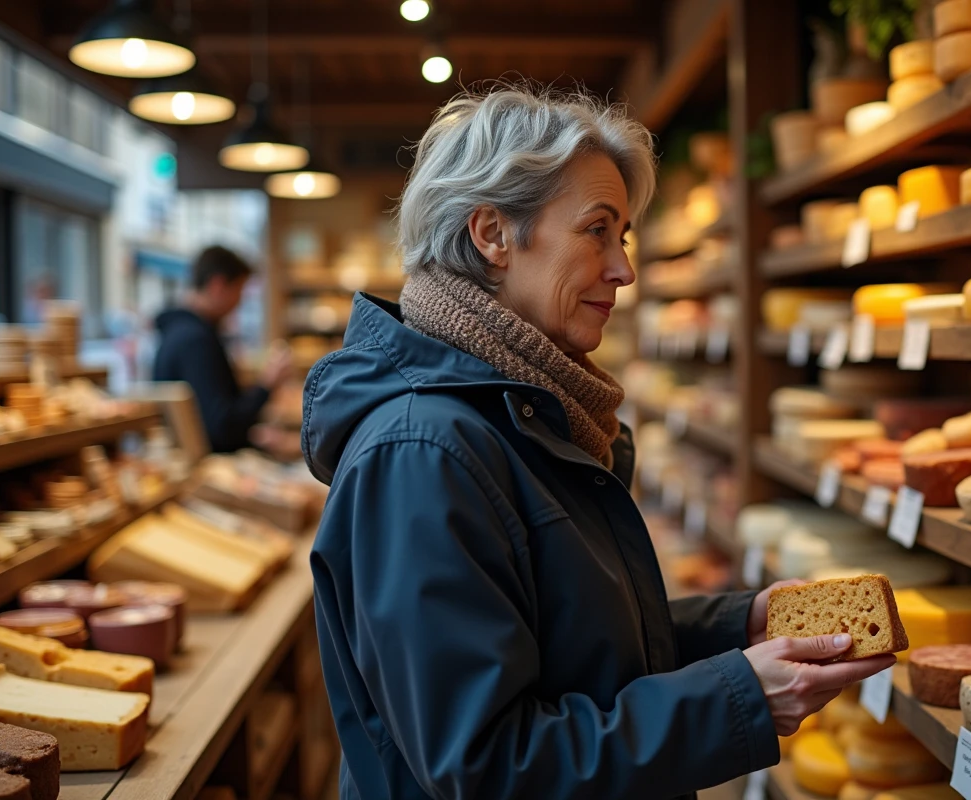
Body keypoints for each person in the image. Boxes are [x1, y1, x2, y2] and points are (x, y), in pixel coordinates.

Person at [303, 86, 895, 800]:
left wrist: (737, 626)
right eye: (596, 231)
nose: (624, 270)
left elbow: (565, 649)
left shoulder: (522, 413)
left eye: (625, 237)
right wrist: (737, 699)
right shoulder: (423, 452)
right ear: (492, 235)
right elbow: (487, 766)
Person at [153, 245, 290, 453]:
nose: (240, 301)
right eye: (239, 291)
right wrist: (266, 385)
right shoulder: (195, 339)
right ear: (217, 285)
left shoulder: (179, 331)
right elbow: (221, 429)